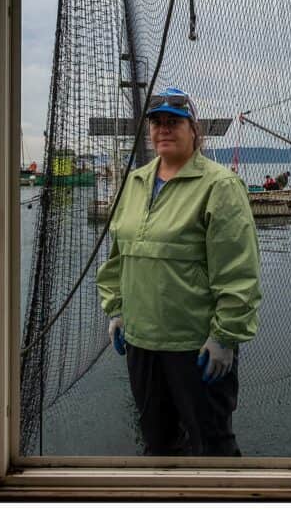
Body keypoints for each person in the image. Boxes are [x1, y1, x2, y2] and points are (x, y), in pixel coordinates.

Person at [96, 86, 263, 456]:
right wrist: (117, 311)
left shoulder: (220, 186)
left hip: (196, 347)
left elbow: (239, 272)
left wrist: (226, 337)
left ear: (193, 130)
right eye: (157, 123)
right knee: (158, 443)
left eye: (175, 122)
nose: (164, 130)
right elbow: (117, 258)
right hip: (141, 344)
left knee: (213, 445)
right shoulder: (135, 183)